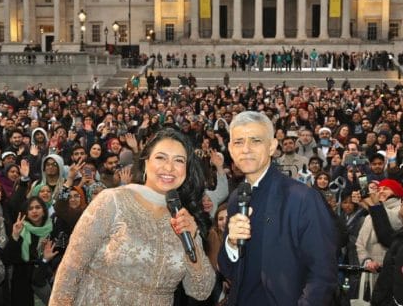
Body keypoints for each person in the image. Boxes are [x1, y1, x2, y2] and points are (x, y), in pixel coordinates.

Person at [50, 128, 215, 305]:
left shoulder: (185, 220)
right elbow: (71, 269)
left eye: (179, 160)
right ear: (145, 162)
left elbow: (201, 290)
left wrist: (193, 237)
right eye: (160, 157)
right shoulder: (113, 200)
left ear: (187, 169)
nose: (169, 167)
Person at [218, 111, 338, 305]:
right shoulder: (235, 200)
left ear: (272, 146)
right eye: (239, 142)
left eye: (255, 141)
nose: (246, 149)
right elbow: (227, 270)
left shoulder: (302, 198)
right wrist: (231, 244)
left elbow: (323, 274)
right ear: (230, 149)